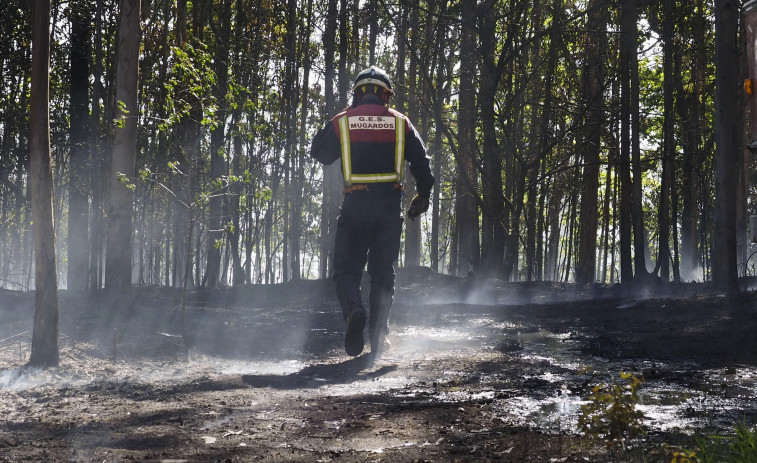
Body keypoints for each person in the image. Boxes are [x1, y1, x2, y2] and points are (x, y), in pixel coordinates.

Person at [310, 65, 434, 357]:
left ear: (356, 94)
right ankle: (378, 336)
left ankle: (354, 310)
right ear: (385, 95)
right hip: (389, 208)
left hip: (355, 205)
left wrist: (342, 115)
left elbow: (320, 153)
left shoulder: (343, 121)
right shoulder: (401, 123)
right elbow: (423, 164)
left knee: (346, 270)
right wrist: (424, 194)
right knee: (382, 274)